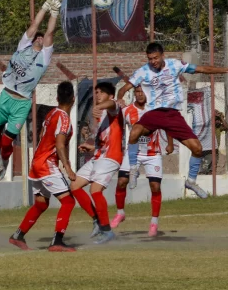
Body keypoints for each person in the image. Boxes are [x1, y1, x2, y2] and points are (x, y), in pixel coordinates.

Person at [117, 42, 228, 198]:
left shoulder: (175, 65)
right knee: (135, 131)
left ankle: (191, 182)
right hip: (154, 113)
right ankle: (133, 168)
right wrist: (120, 99)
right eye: (150, 59)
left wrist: (225, 69)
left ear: (162, 55)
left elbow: (201, 69)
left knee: (197, 148)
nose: (153, 61)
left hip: (173, 115)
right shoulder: (143, 71)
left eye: (155, 58)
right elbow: (123, 89)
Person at [0, 0, 61, 181]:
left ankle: (4, 159)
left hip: (21, 104)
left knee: (6, 142)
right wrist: (45, 7)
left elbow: (50, 33)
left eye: (41, 37)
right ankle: (0, 154)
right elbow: (34, 26)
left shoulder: (44, 59)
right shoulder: (22, 47)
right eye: (37, 36)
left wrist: (55, 13)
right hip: (5, 97)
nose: (39, 37)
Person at [9, 81, 77, 252]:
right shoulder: (64, 118)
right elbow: (60, 145)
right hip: (47, 165)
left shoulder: (51, 113)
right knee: (68, 201)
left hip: (37, 162)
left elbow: (41, 135)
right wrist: (68, 167)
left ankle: (18, 236)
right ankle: (57, 242)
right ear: (74, 99)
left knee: (41, 204)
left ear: (56, 98)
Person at [110, 86, 173, 236]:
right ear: (134, 93)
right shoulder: (127, 111)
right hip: (133, 153)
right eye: (137, 91)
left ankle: (154, 223)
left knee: (155, 186)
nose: (140, 94)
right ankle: (120, 213)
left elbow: (168, 125)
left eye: (143, 91)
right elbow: (118, 104)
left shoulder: (155, 110)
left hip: (153, 154)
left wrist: (170, 143)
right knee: (121, 182)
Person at [71, 82, 124, 244]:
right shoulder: (100, 116)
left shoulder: (113, 109)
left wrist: (103, 105)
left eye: (100, 92)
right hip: (99, 156)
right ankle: (96, 221)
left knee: (95, 190)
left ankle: (107, 231)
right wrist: (91, 146)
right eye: (96, 93)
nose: (97, 95)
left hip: (111, 158)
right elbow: (104, 141)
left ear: (110, 95)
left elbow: (113, 103)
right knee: (74, 185)